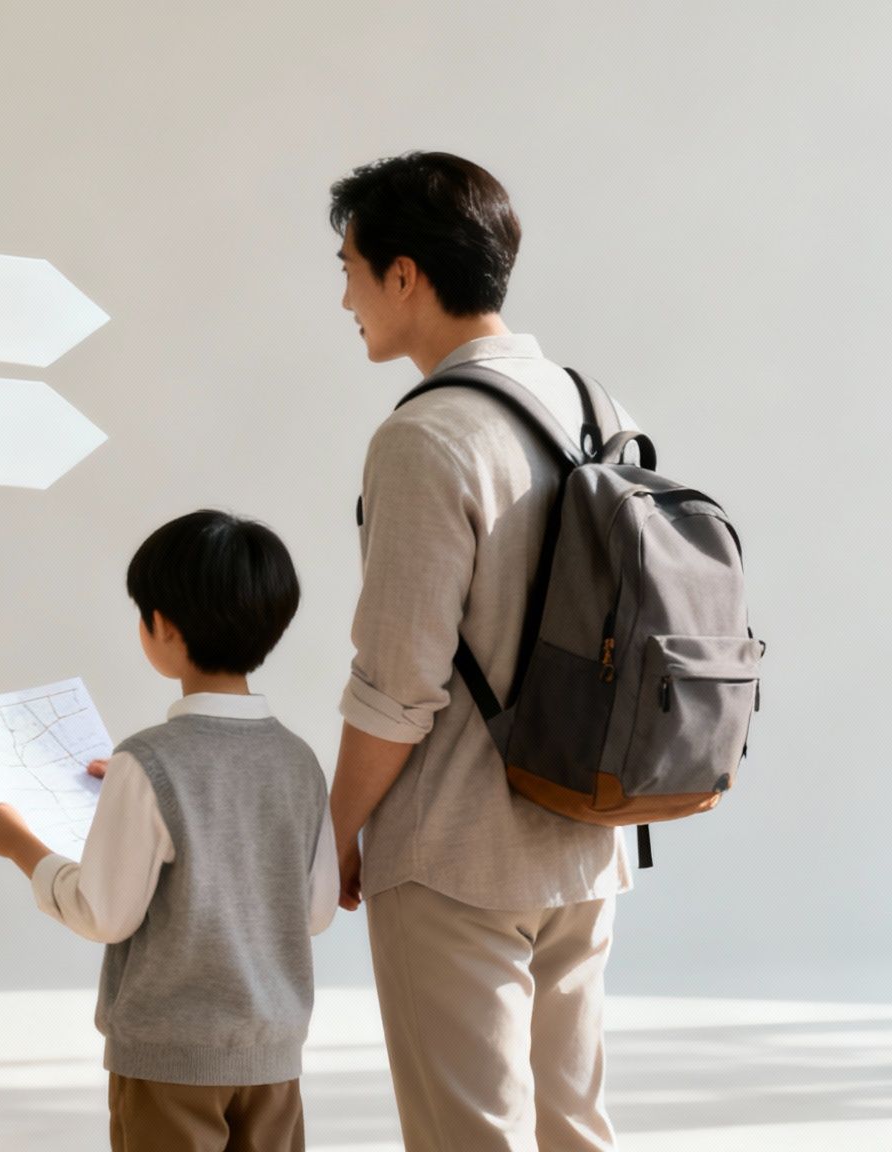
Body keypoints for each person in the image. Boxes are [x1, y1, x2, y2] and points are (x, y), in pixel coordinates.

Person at [327, 151, 634, 1150]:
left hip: (456, 851)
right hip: (588, 831)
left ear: (403, 275)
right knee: (571, 1128)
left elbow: (397, 682)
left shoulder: (425, 437)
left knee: (471, 1137)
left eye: (349, 269)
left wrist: (333, 829)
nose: (344, 299)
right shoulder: (599, 410)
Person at [0, 510, 336, 1151]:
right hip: (274, 1060)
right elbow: (314, 911)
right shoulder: (298, 760)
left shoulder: (149, 761)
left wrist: (21, 848)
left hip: (169, 1063)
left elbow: (103, 914)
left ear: (162, 627)